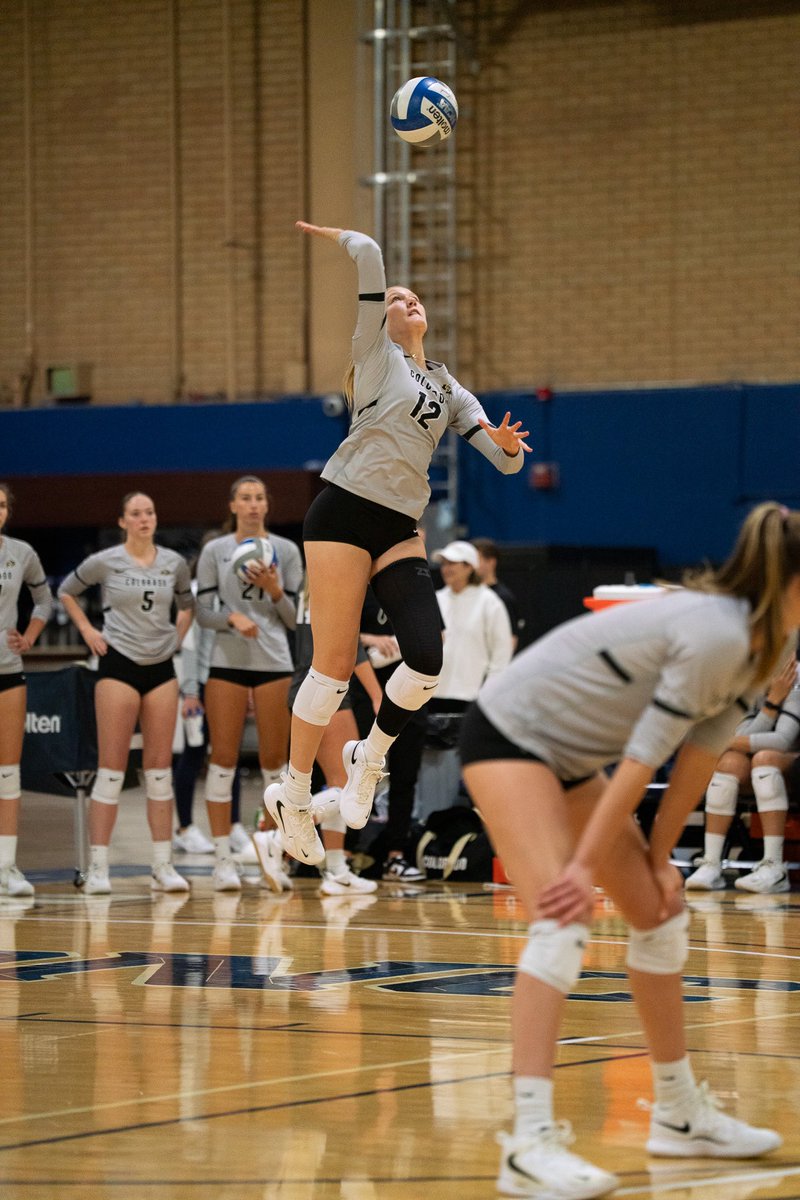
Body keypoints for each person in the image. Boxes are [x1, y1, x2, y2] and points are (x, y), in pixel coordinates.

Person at [461, 502, 793, 1199]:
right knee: (562, 917)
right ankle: (527, 1145)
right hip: (511, 736)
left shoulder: (769, 645)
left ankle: (677, 1114)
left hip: (578, 760)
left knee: (659, 913)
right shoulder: (718, 634)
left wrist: (659, 861)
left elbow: (699, 757)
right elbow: (645, 756)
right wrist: (584, 867)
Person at [264, 220, 530, 864]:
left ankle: (366, 763)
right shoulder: (374, 356)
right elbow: (370, 256)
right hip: (342, 514)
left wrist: (509, 447)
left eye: (415, 298)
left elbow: (505, 465)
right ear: (380, 319)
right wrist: (344, 239)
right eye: (396, 299)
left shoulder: (445, 384)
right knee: (330, 670)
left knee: (427, 658)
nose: (407, 302)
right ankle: (294, 796)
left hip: (398, 525)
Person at [59, 492, 194, 895]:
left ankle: (163, 865)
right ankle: (99, 868)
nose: (143, 519)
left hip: (161, 669)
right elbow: (66, 591)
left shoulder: (173, 563)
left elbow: (188, 605)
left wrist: (178, 636)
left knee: (158, 771)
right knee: (112, 769)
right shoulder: (105, 561)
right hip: (117, 664)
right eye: (135, 514)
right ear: (122, 521)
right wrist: (87, 630)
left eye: (149, 512)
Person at [195, 476, 303, 891]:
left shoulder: (288, 551)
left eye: (260, 498)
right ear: (233, 505)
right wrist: (230, 618)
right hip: (226, 662)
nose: (254, 505)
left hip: (274, 661)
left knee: (275, 765)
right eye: (246, 498)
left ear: (267, 506)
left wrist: (275, 590)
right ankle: (223, 861)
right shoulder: (215, 551)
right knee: (222, 761)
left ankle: (272, 855)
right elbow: (203, 612)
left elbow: (296, 620)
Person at [253, 573, 382, 895]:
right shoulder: (338, 586)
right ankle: (276, 839)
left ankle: (336, 869)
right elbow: (351, 647)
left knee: (344, 783)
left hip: (316, 687)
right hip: (322, 689)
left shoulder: (315, 586)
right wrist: (379, 695)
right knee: (350, 783)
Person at [414, 539, 513, 820]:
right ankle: (430, 830)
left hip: (471, 703)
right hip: (430, 698)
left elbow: (501, 658)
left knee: (469, 776)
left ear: (470, 567)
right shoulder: (435, 600)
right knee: (431, 777)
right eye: (443, 563)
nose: (446, 568)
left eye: (453, 563)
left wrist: (487, 697)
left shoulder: (490, 603)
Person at [685, 654, 799, 893]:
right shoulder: (755, 680)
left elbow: (782, 741)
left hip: (792, 758)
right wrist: (771, 704)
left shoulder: (796, 678)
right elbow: (743, 732)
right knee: (729, 763)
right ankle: (711, 864)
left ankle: (774, 867)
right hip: (771, 758)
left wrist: (720, 742)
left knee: (764, 758)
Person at [0, 482, 54, 896]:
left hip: (8, 668)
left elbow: (43, 599)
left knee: (8, 771)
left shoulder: (21, 552)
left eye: (2, 505)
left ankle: (6, 867)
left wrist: (32, 634)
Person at [471, 536, 524, 652]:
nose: (472, 565)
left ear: (491, 562)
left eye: (476, 559)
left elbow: (511, 639)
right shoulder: (467, 594)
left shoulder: (503, 597)